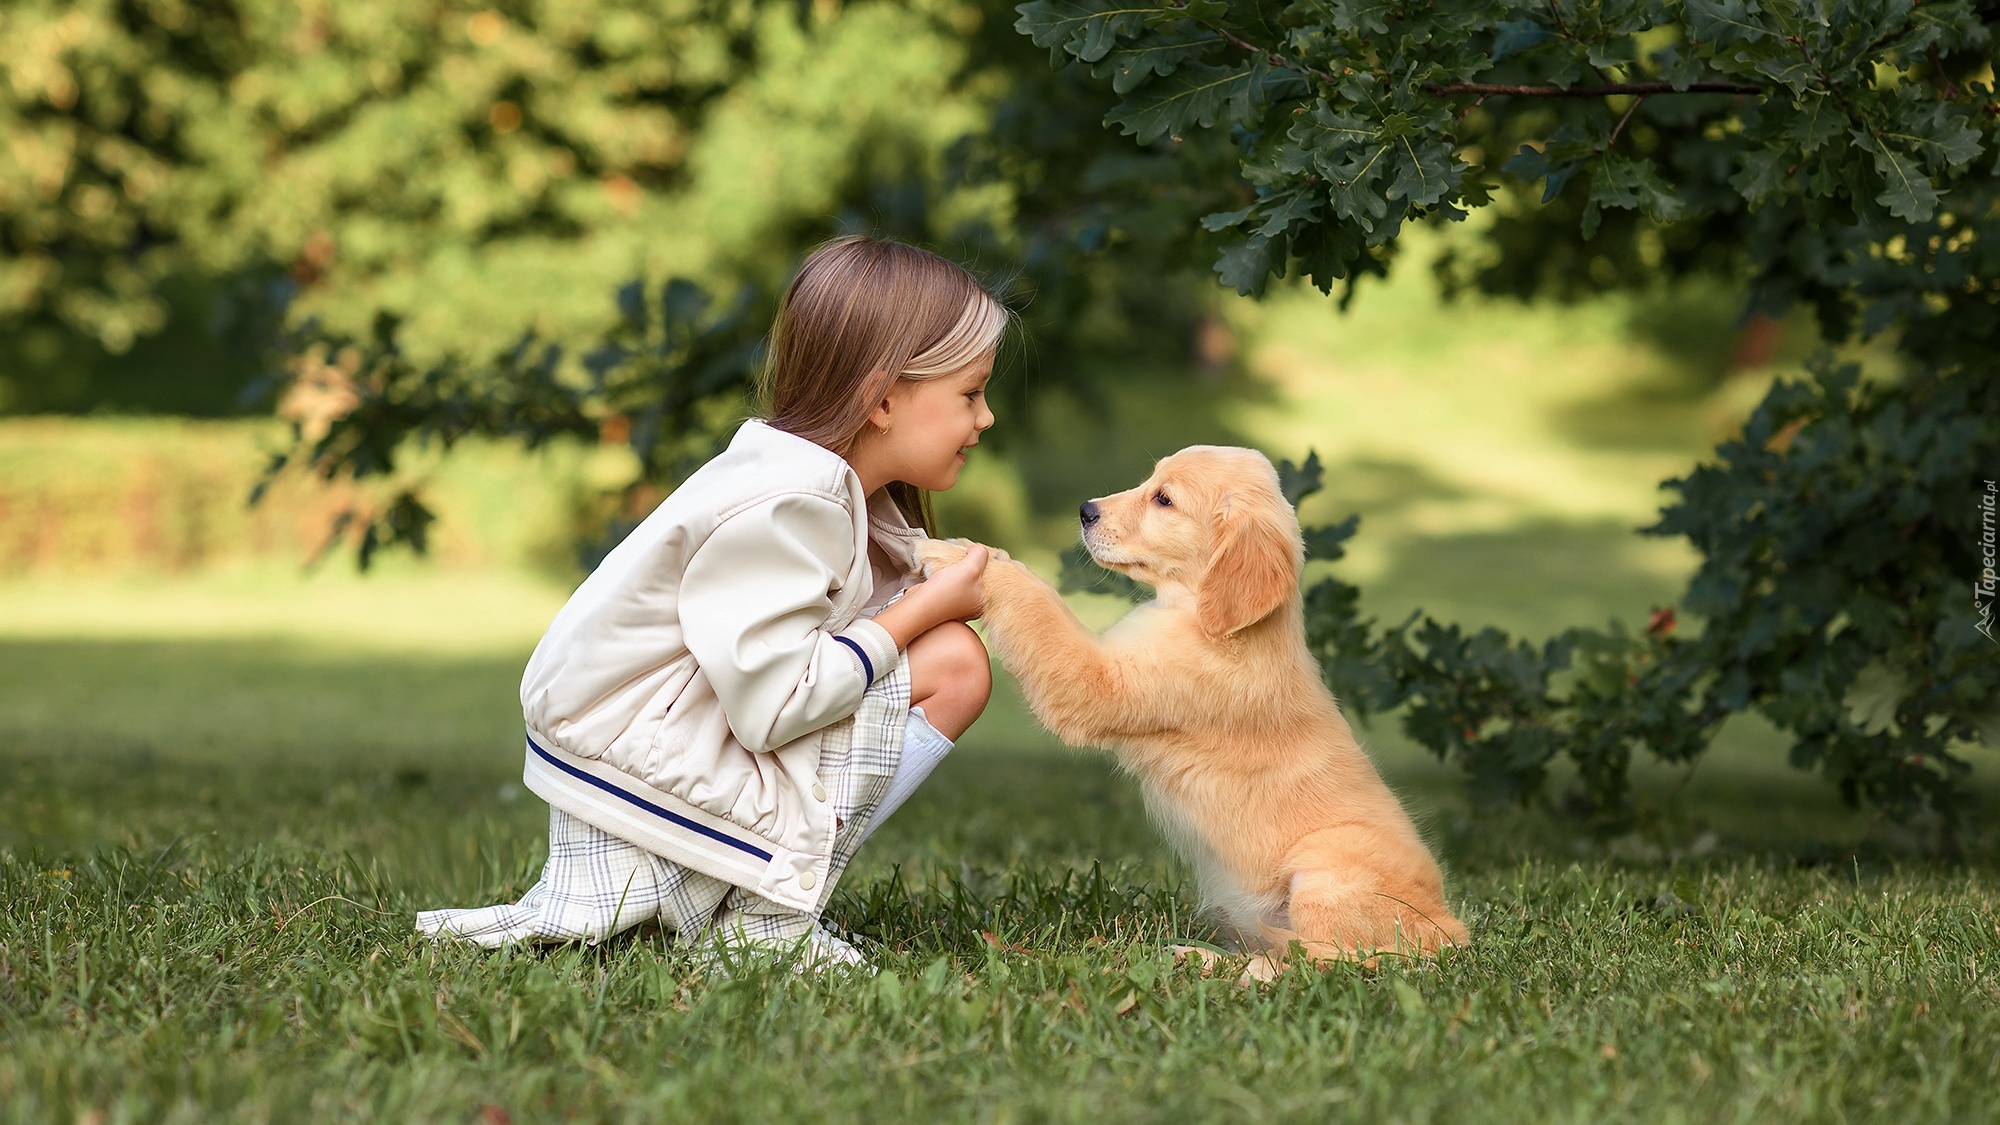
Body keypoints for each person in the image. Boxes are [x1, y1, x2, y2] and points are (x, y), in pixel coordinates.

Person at [417, 236, 1003, 966]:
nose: (985, 419)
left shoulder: (818, 487)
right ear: (882, 398)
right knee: (954, 662)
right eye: (971, 393)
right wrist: (924, 609)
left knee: (942, 648)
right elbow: (776, 706)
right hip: (638, 789)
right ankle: (763, 920)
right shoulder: (793, 503)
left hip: (645, 763)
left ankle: (750, 899)